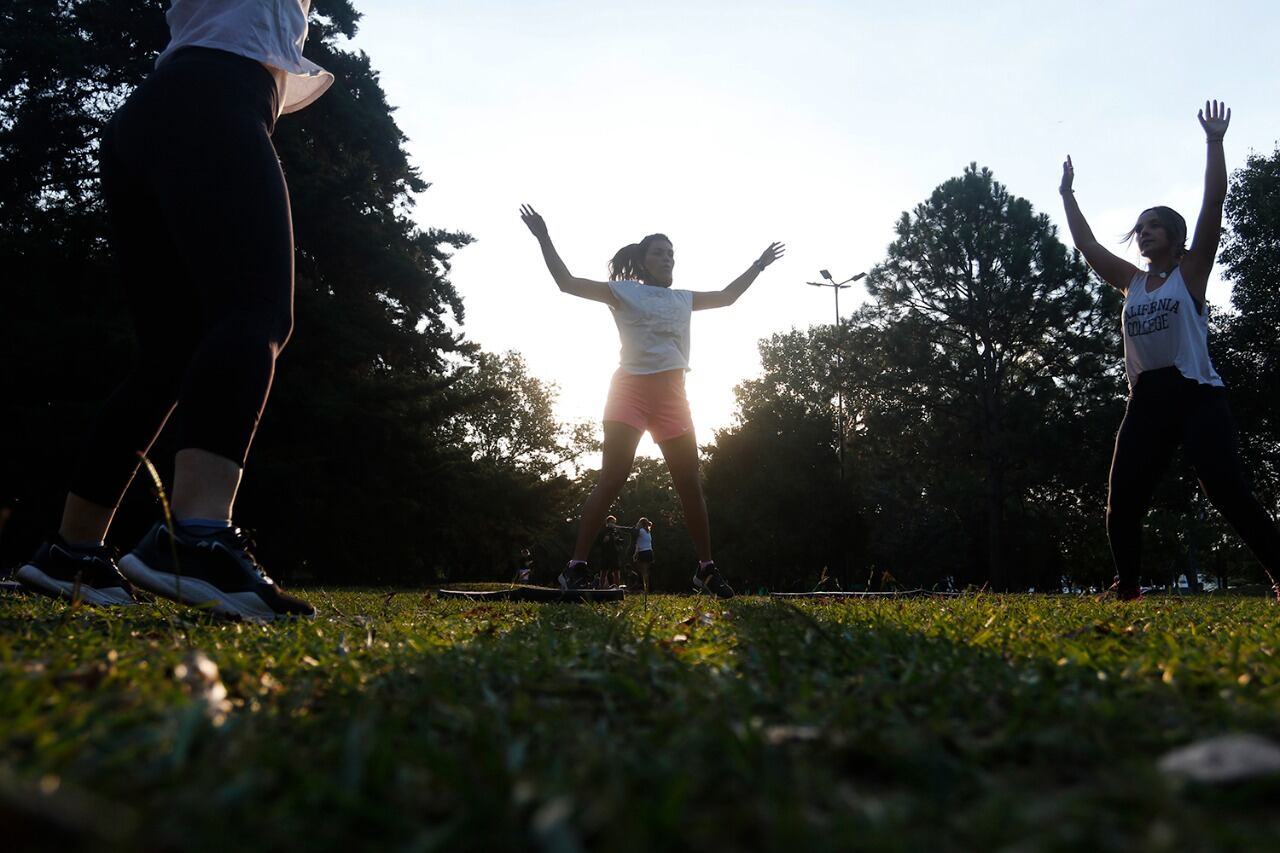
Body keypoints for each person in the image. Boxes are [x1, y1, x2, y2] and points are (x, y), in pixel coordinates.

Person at [15, 0, 332, 619]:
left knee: (168, 353)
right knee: (256, 311)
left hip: (156, 113)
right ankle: (196, 535)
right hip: (216, 99)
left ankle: (72, 549)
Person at [1060, 100, 1280, 601]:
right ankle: (1129, 587)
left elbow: (1214, 204)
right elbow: (1087, 245)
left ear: (1175, 237)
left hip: (1198, 396)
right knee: (1122, 499)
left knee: (1228, 493)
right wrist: (1068, 195)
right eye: (1139, 227)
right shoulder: (1131, 282)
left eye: (1153, 225)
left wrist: (1214, 142)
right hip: (1148, 400)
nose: (1143, 232)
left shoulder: (1192, 272)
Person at [520, 204, 784, 598]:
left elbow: (728, 296)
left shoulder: (683, 298)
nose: (667, 258)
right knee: (612, 478)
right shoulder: (624, 292)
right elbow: (567, 282)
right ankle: (575, 568)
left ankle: (705, 570)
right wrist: (544, 237)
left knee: (690, 485)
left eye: (671, 253)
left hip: (673, 396)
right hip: (629, 391)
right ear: (643, 262)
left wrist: (758, 265)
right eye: (659, 252)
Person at [597, 515, 626, 589]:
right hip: (605, 554)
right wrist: (604, 541)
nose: (613, 524)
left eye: (614, 522)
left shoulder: (617, 531)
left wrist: (618, 540)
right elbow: (598, 543)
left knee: (616, 572)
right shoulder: (603, 531)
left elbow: (622, 542)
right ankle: (601, 586)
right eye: (611, 522)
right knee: (603, 571)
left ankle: (617, 587)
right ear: (607, 523)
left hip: (615, 554)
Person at [632, 517, 654, 593]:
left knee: (644, 572)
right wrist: (635, 554)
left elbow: (633, 532)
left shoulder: (640, 531)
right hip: (649, 552)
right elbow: (638, 544)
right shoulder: (647, 531)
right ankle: (646, 588)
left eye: (638, 522)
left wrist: (635, 527)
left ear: (641, 524)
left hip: (643, 553)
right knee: (645, 571)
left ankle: (646, 589)